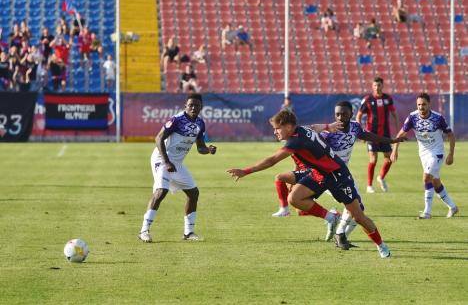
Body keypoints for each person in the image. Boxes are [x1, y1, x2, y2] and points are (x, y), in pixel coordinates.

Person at [227, 109, 391, 258]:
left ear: (289, 127)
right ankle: (331, 218)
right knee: (294, 198)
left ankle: (382, 246)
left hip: (337, 175)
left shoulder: (295, 142)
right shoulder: (302, 129)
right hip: (319, 173)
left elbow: (271, 161)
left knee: (358, 216)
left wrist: (245, 171)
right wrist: (328, 125)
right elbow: (315, 127)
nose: (274, 131)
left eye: (277, 128)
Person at [272, 102, 406, 246]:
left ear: (351, 114)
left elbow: (369, 136)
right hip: (325, 174)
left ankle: (339, 233)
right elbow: (307, 148)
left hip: (341, 174)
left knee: (357, 210)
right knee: (354, 210)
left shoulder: (355, 127)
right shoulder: (329, 132)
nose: (340, 117)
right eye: (337, 114)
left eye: (344, 114)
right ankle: (334, 226)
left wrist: (391, 140)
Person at [138, 93, 217, 243]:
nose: (193, 107)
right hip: (162, 159)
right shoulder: (177, 119)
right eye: (190, 105)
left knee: (193, 193)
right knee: (161, 191)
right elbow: (159, 138)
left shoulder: (200, 123)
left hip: (177, 164)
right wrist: (167, 162)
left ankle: (188, 233)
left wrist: (208, 150)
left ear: (201, 107)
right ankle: (144, 231)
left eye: (196, 105)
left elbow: (200, 147)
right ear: (185, 106)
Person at [391, 93, 458, 219]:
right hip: (423, 154)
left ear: (429, 104)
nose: (421, 107)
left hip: (437, 152)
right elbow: (401, 133)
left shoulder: (438, 118)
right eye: (419, 105)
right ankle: (453, 207)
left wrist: (451, 154)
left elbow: (451, 135)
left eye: (423, 104)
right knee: (435, 182)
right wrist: (395, 150)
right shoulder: (412, 117)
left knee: (426, 178)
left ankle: (427, 212)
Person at [356, 77, 399, 193]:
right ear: (372, 86)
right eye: (375, 85)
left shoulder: (388, 99)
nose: (377, 87)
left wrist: (398, 130)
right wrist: (360, 132)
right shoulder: (368, 100)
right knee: (373, 159)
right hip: (371, 134)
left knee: (389, 158)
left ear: (382, 86)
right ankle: (369, 186)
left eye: (379, 85)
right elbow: (359, 115)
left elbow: (394, 114)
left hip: (385, 134)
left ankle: (381, 177)